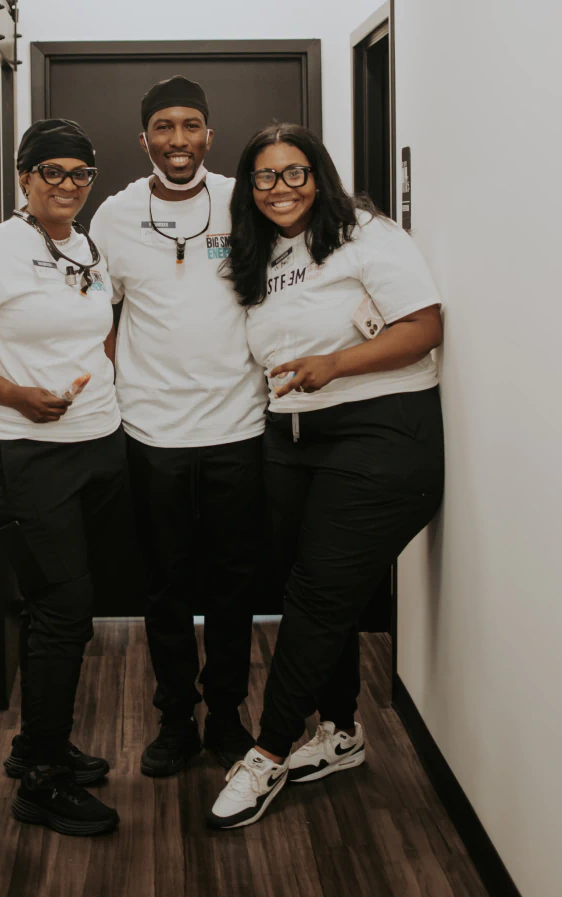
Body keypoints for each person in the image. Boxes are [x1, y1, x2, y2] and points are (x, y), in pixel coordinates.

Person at [209, 122, 445, 829]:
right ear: (249, 189)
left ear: (319, 176)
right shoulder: (261, 253)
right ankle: (339, 731)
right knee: (314, 584)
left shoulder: (367, 235)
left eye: (295, 173)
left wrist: (335, 364)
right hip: (292, 437)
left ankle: (268, 750)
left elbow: (424, 324)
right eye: (265, 177)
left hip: (378, 432)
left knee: (315, 594)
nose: (280, 188)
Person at [0, 119, 127, 836]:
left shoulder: (86, 246)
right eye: (52, 172)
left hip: (94, 445)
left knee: (73, 603)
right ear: (23, 178)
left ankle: (34, 746)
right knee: (61, 607)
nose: (69, 186)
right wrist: (17, 394)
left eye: (81, 174)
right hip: (23, 451)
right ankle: (41, 781)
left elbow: (97, 328)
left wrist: (105, 383)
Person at [90, 76, 267, 776]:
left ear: (209, 135)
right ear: (144, 140)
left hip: (238, 425)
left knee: (232, 584)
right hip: (151, 431)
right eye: (163, 127)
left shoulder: (242, 198)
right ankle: (174, 721)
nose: (178, 139)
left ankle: (225, 713)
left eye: (191, 125)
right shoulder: (114, 215)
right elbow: (98, 314)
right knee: (164, 585)